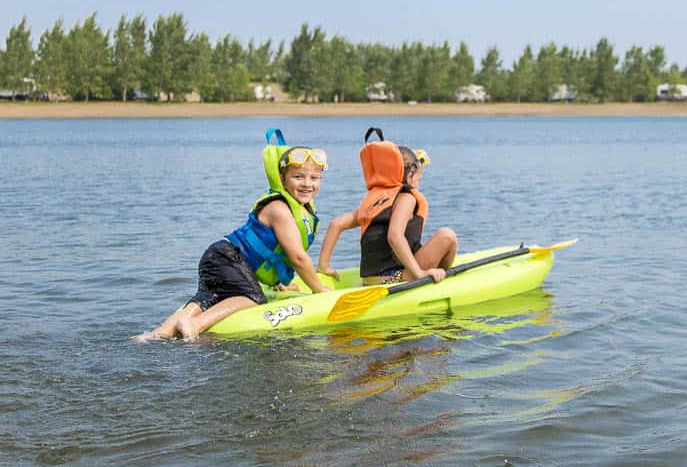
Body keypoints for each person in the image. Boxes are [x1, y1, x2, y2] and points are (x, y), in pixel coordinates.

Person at [134, 129, 335, 341]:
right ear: (283, 180)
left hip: (218, 255)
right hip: (229, 258)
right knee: (254, 297)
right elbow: (297, 257)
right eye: (298, 177)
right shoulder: (280, 209)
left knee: (208, 298)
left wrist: (278, 283)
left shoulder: (292, 207)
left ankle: (156, 335)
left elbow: (272, 254)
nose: (307, 184)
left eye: (314, 178)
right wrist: (319, 289)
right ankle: (195, 324)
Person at [318, 127, 458, 286]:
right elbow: (394, 236)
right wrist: (419, 273)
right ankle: (438, 284)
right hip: (395, 279)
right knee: (447, 236)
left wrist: (324, 266)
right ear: (410, 176)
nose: (418, 184)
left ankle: (430, 276)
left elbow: (335, 224)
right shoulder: (406, 198)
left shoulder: (375, 201)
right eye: (418, 179)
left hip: (368, 281)